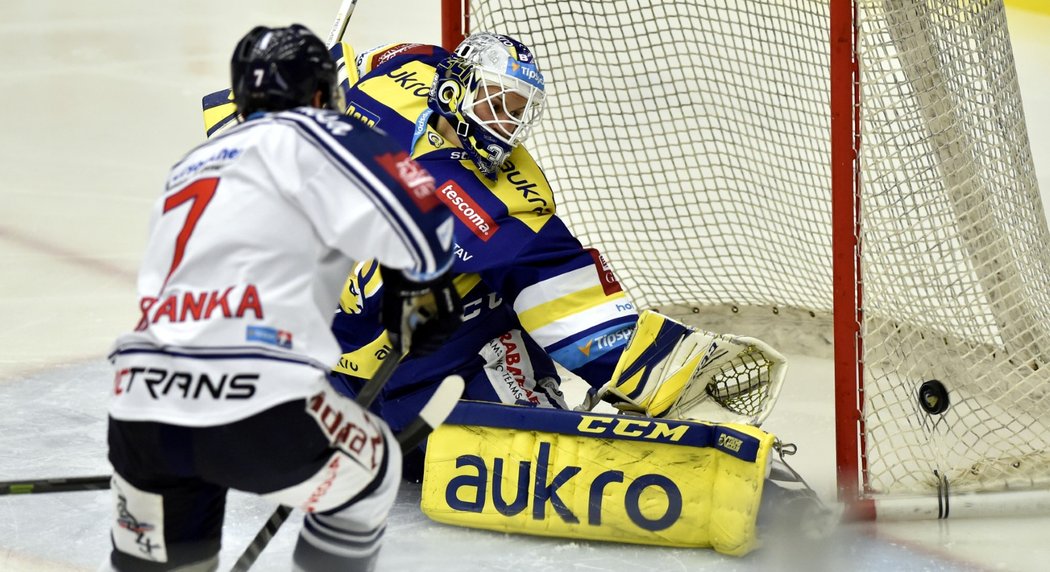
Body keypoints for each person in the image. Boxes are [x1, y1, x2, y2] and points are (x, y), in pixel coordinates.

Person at [322, 32, 786, 470]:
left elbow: (560, 286)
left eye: (518, 111)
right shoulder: (401, 87)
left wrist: (657, 369)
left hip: (413, 368)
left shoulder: (504, 193)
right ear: (450, 91)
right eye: (498, 102)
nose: (506, 124)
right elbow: (359, 65)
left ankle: (591, 397)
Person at [104, 24, 460, 572]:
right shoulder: (317, 131)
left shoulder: (190, 165)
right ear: (320, 95)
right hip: (258, 401)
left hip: (140, 406)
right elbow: (421, 201)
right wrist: (422, 288)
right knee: (375, 467)